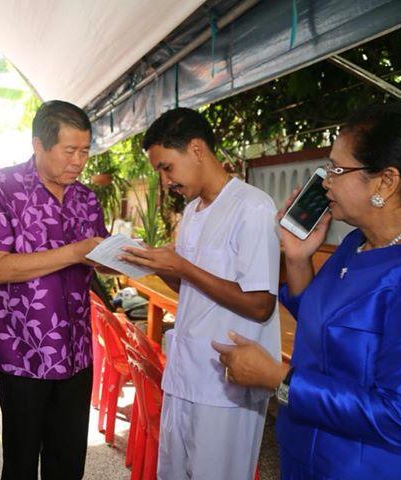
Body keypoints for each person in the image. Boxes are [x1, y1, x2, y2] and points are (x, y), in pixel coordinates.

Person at [213, 103, 401, 479]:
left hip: (375, 468)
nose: (325, 181)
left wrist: (277, 379)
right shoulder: (356, 244)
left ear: (385, 182)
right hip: (310, 454)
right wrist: (298, 258)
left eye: (336, 169)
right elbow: (328, 325)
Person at [121, 108, 281, 480]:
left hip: (226, 383)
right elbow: (190, 286)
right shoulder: (192, 211)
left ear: (196, 150)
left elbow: (260, 304)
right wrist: (156, 264)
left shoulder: (252, 207)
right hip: (185, 370)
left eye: (167, 168)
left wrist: (182, 266)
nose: (165, 181)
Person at [0, 100, 108, 480]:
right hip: (22, 352)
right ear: (38, 145)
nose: (78, 162)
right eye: (69, 151)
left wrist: (119, 257)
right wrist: (76, 251)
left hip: (76, 351)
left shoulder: (86, 199)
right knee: (21, 462)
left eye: (85, 151)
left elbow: (97, 257)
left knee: (68, 462)